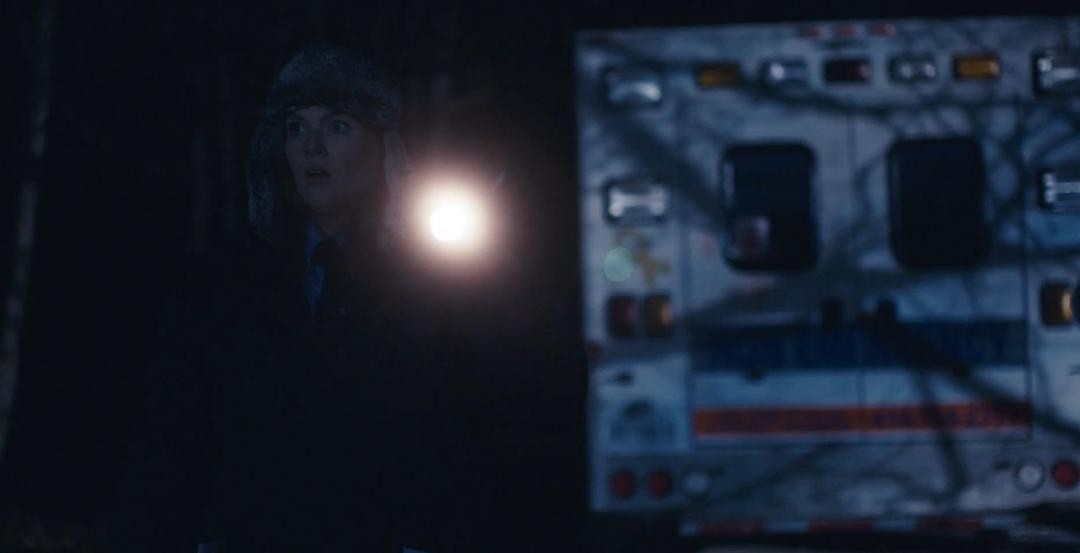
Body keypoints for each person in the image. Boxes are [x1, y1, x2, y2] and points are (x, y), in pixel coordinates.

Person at [99, 44, 494, 553]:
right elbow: (169, 444)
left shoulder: (432, 289)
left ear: (383, 146)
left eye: (337, 126)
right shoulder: (224, 284)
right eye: (296, 127)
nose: (312, 147)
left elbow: (467, 443)